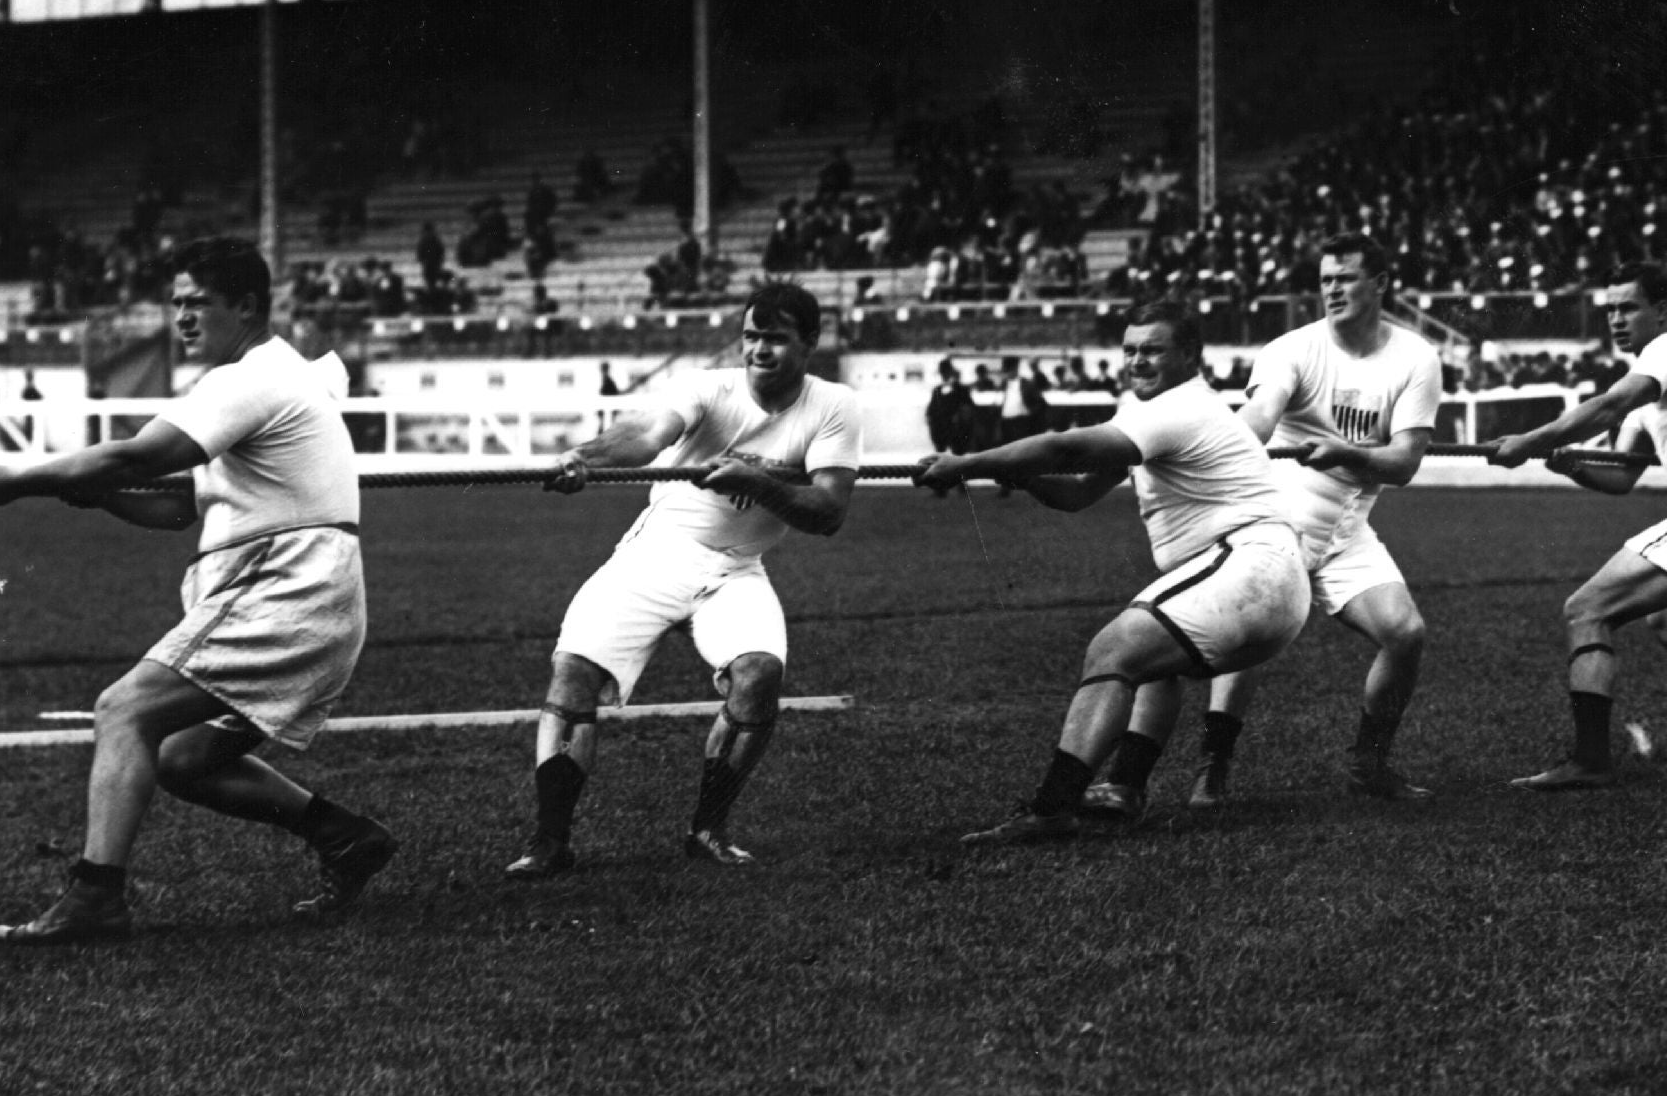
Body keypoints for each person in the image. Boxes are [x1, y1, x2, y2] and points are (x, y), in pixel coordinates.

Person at [0, 237, 389, 941]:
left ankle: (95, 899)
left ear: (247, 307)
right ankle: (346, 836)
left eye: (198, 304)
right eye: (176, 305)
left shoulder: (250, 377)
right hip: (306, 592)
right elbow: (175, 506)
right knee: (181, 758)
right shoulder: (260, 380)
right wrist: (97, 496)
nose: (183, 318)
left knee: (123, 710)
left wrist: (19, 480)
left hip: (286, 586)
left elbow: (138, 455)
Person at [916, 299, 1311, 846]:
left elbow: (1062, 446)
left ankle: (1052, 810)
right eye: (1129, 350)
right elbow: (1076, 494)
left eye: (1153, 350)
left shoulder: (1178, 409)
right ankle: (1122, 787)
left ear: (1191, 357)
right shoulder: (1163, 412)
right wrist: (1021, 476)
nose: (1137, 362)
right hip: (1262, 579)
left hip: (1249, 566)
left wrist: (965, 462)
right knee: (1152, 662)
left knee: (1112, 650)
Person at [514, 280, 859, 876]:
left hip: (736, 571)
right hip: (658, 554)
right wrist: (585, 458)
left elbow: (828, 512)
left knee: (759, 675)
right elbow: (647, 434)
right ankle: (550, 843)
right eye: (751, 336)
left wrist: (757, 483)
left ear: (811, 341)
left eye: (775, 339)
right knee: (574, 671)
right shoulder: (708, 388)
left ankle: (707, 830)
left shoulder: (834, 405)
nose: (759, 351)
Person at [1088, 234, 1440, 815]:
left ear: (1380, 284)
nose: (1332, 289)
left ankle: (1368, 764)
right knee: (1239, 642)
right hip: (1274, 523)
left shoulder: (1417, 358)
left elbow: (1402, 464)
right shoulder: (1291, 349)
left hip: (1348, 530)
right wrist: (1189, 440)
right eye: (1326, 278)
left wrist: (1345, 453)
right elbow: (1255, 421)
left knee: (1405, 634)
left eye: (1347, 278)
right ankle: (1207, 767)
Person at [1488, 264, 1667, 787]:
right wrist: (1572, 465)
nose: (1616, 320)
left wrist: (1527, 443)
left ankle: (1590, 760)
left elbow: (1610, 403)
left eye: (1628, 308)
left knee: (1585, 610)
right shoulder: (1653, 395)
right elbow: (1621, 477)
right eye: (1610, 310)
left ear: (1660, 311)